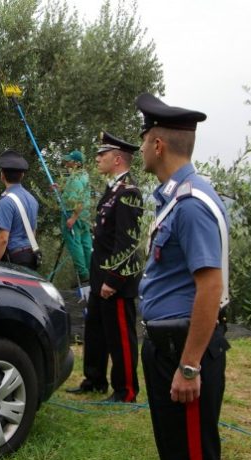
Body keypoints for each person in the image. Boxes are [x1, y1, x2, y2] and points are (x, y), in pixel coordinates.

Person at [136, 93, 231, 460]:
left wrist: (190, 367)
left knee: (191, 453)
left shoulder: (191, 204)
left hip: (183, 349)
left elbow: (210, 286)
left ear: (158, 145)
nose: (141, 147)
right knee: (175, 448)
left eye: (144, 140)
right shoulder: (175, 199)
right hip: (168, 346)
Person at [66, 131, 142, 402]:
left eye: (103, 154)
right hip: (100, 275)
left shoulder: (129, 192)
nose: (97, 158)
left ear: (118, 158)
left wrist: (113, 280)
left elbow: (127, 243)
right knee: (95, 330)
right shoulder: (113, 189)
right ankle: (94, 380)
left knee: (120, 336)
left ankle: (126, 390)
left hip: (115, 281)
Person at [0, 149, 40, 270]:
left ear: (2, 175)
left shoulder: (6, 202)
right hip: (31, 256)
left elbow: (2, 239)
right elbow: (32, 232)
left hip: (14, 259)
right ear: (22, 175)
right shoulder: (32, 199)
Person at [60, 150, 92, 284]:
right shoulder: (84, 175)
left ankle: (83, 275)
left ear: (77, 163)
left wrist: (73, 218)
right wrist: (60, 188)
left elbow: (78, 200)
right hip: (85, 216)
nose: (67, 162)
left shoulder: (75, 178)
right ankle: (91, 272)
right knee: (86, 243)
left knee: (75, 244)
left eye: (70, 161)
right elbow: (75, 191)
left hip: (73, 214)